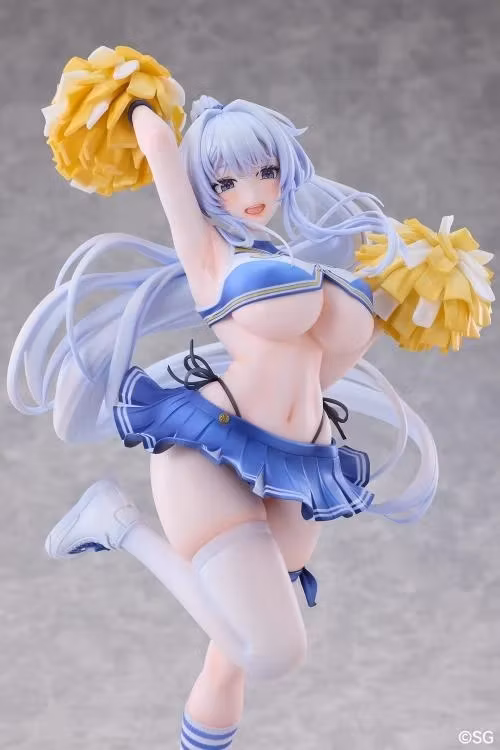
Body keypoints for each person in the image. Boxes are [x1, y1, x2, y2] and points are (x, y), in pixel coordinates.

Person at [10, 47, 484, 749]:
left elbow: (326, 367)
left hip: (299, 463)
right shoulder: (212, 259)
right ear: (206, 189)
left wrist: (436, 274)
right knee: (272, 652)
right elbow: (163, 155)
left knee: (229, 657)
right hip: (211, 453)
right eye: (226, 180)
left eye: (264, 171)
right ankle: (118, 523)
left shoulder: (309, 261)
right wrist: (132, 101)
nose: (251, 191)